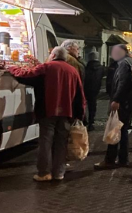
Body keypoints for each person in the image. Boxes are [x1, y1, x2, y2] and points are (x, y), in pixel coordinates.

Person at [8, 46, 85, 181]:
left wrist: (11, 68)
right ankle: (59, 173)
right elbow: (80, 95)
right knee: (61, 143)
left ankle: (44, 173)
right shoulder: (73, 71)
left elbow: (26, 76)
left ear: (53, 55)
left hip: (47, 111)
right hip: (67, 112)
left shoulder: (46, 67)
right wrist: (79, 114)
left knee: (45, 141)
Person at [95, 44, 132, 169]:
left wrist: (116, 100)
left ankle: (110, 160)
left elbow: (122, 83)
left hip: (123, 103)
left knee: (115, 130)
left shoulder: (123, 64)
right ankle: (123, 159)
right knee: (123, 130)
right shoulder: (130, 62)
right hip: (129, 103)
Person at [84, 52, 105, 131]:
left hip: (86, 88)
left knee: (84, 105)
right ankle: (91, 122)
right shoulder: (101, 68)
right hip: (95, 89)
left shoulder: (86, 67)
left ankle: (84, 120)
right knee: (92, 106)